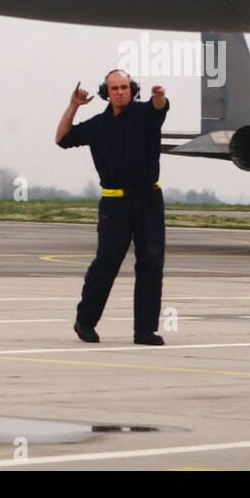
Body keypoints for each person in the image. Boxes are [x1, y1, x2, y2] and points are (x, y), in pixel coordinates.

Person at [55, 70, 168, 345]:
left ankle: (144, 330)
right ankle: (85, 321)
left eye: (125, 87)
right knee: (106, 263)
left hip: (148, 201)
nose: (120, 91)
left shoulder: (145, 114)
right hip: (114, 203)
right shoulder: (97, 125)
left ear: (133, 89)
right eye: (115, 88)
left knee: (150, 263)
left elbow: (159, 110)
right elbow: (62, 138)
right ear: (107, 92)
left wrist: (159, 97)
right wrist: (73, 106)